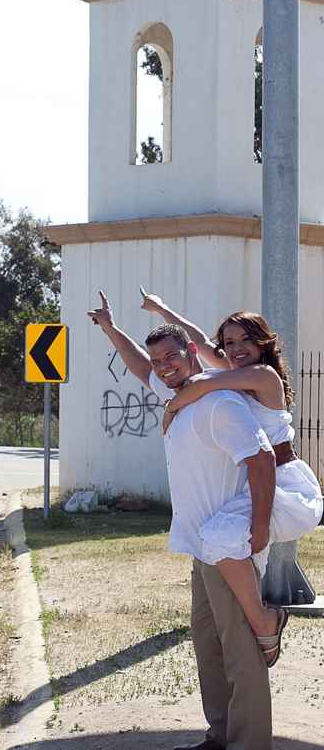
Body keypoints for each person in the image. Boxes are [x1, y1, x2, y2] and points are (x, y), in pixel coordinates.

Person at [88, 291, 278, 750]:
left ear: (193, 352)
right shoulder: (176, 390)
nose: (164, 365)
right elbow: (138, 364)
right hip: (200, 543)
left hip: (229, 544)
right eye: (160, 360)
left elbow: (263, 459)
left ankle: (249, 743)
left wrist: (259, 528)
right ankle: (220, 735)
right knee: (208, 648)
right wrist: (112, 329)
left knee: (239, 653)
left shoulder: (219, 403)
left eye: (173, 355)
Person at [142, 299, 323, 654]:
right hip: (256, 484)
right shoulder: (232, 369)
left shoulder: (262, 376)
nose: (235, 349)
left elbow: (198, 385)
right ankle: (257, 629)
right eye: (229, 343)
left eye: (245, 341)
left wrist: (171, 408)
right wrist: (165, 313)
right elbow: (195, 339)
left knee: (219, 537)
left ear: (262, 343)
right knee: (220, 543)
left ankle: (263, 622)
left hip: (284, 485)